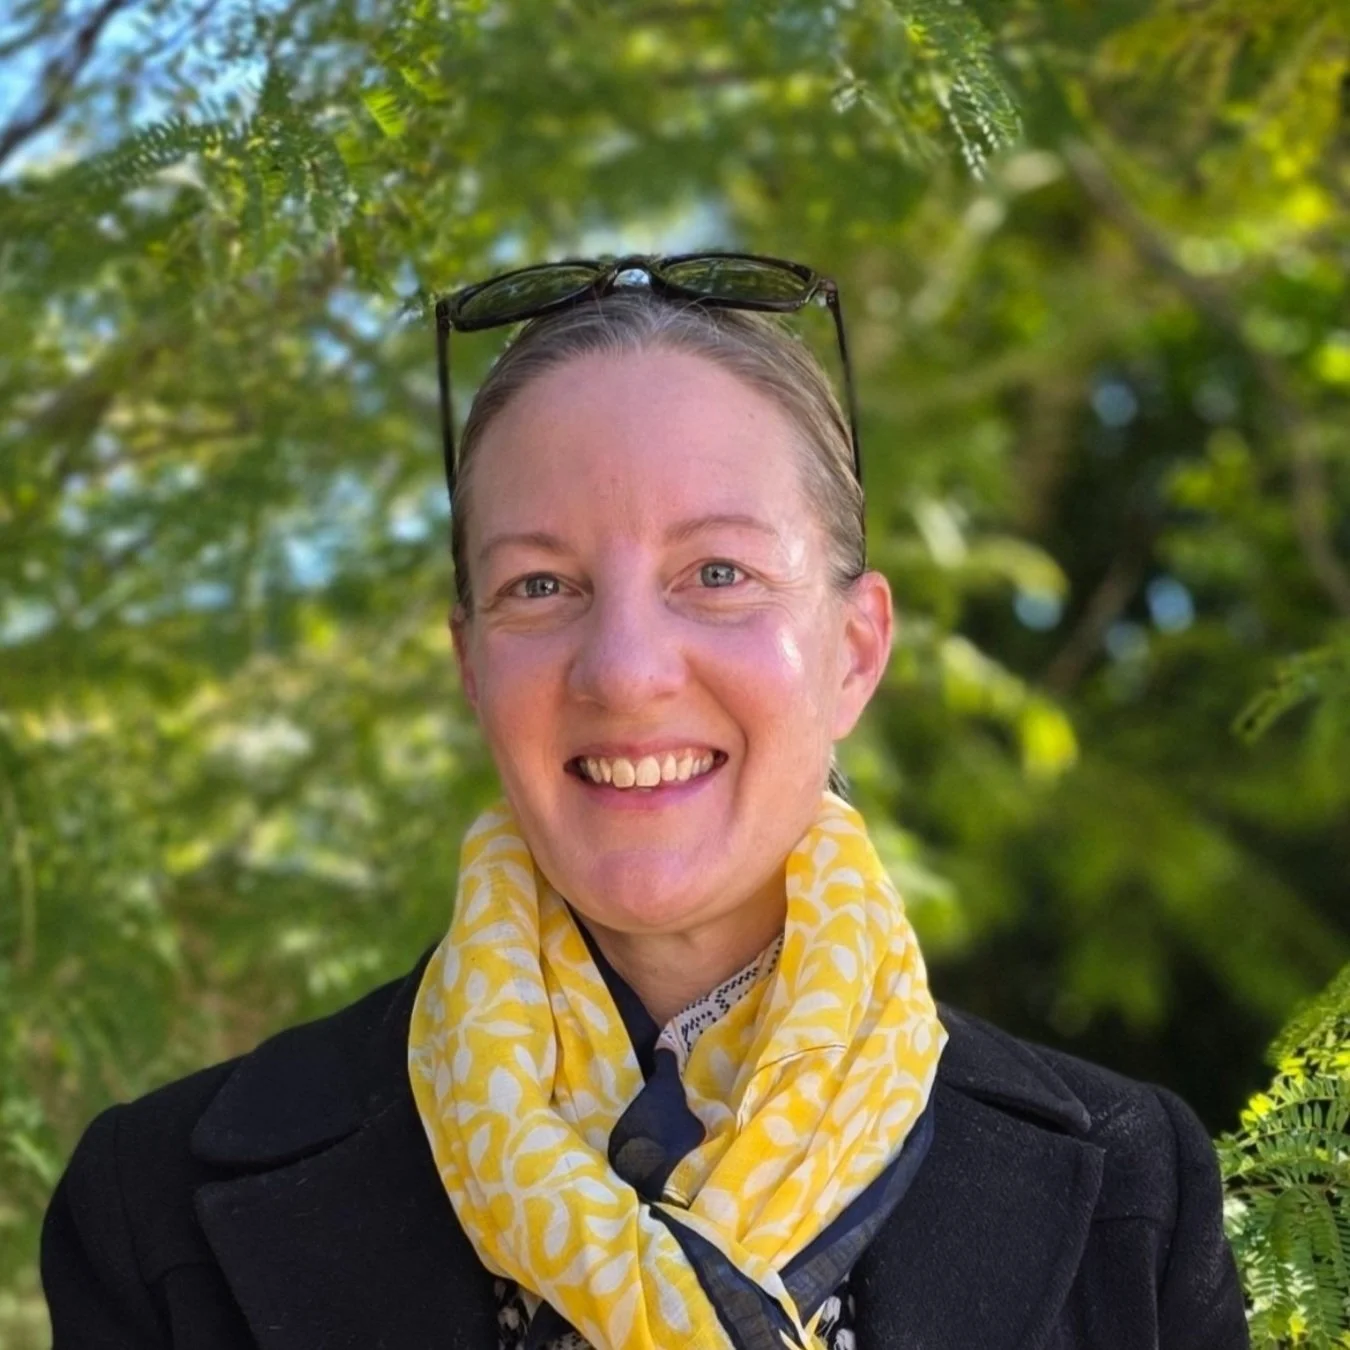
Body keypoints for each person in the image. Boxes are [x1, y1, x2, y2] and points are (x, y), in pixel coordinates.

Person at [42, 255, 1250, 1349]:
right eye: (541, 583)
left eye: (716, 573)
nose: (623, 671)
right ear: (472, 667)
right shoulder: (155, 1215)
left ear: (856, 649)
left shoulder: (1134, 1200)